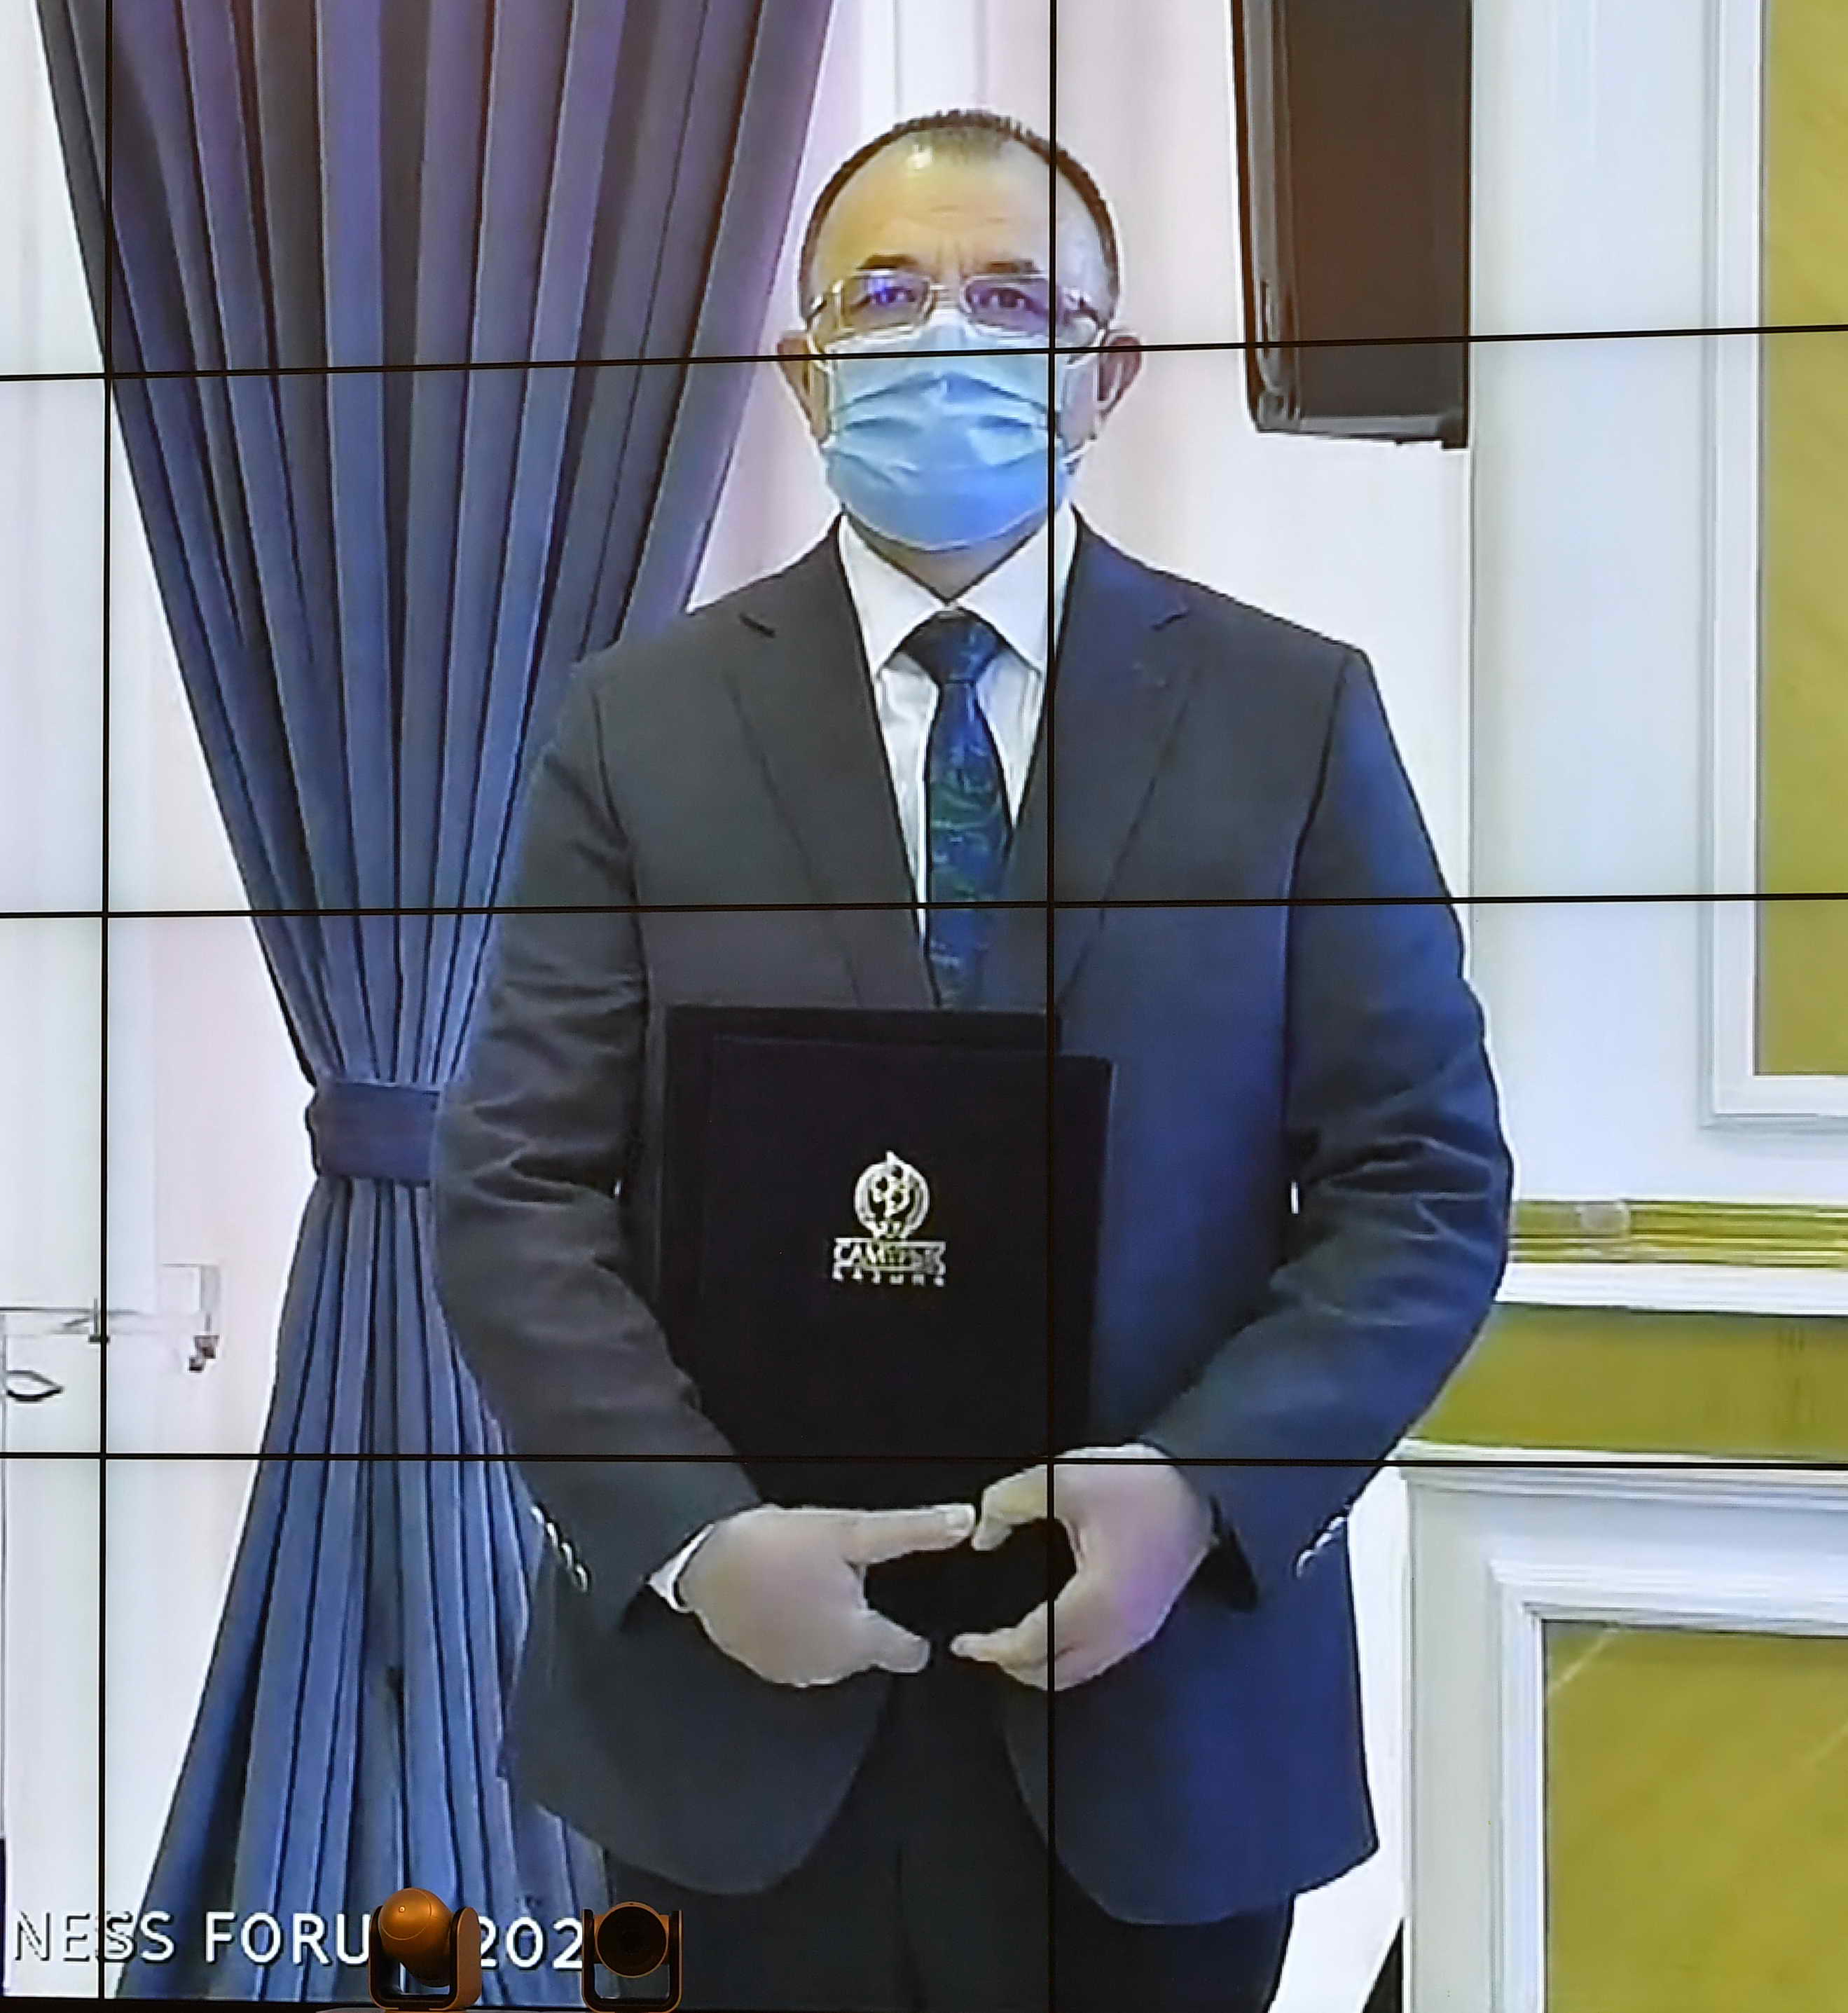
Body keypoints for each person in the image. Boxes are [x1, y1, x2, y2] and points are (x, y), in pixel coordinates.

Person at [433, 111, 1510, 2012]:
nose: (949, 339)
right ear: (805, 367)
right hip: (731, 1734)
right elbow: (518, 1187)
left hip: (1161, 1724)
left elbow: (1419, 1183)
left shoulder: (1291, 714)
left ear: (1106, 372)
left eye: (1015, 301)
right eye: (890, 296)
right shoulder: (633, 725)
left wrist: (1199, 1491)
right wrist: (691, 1538)